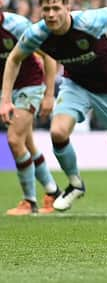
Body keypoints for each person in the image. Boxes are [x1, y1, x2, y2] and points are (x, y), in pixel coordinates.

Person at [0, 0, 107, 217]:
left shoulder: (89, 21)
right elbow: (14, 58)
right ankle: (75, 184)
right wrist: (5, 100)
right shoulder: (37, 33)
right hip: (75, 84)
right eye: (46, 9)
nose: (51, 14)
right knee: (57, 132)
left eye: (56, 8)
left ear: (68, 8)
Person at [1, 11, 61, 215]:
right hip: (8, 90)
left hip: (30, 85)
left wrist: (49, 94)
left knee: (14, 140)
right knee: (27, 143)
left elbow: (49, 56)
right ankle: (53, 193)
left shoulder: (17, 26)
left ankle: (29, 201)